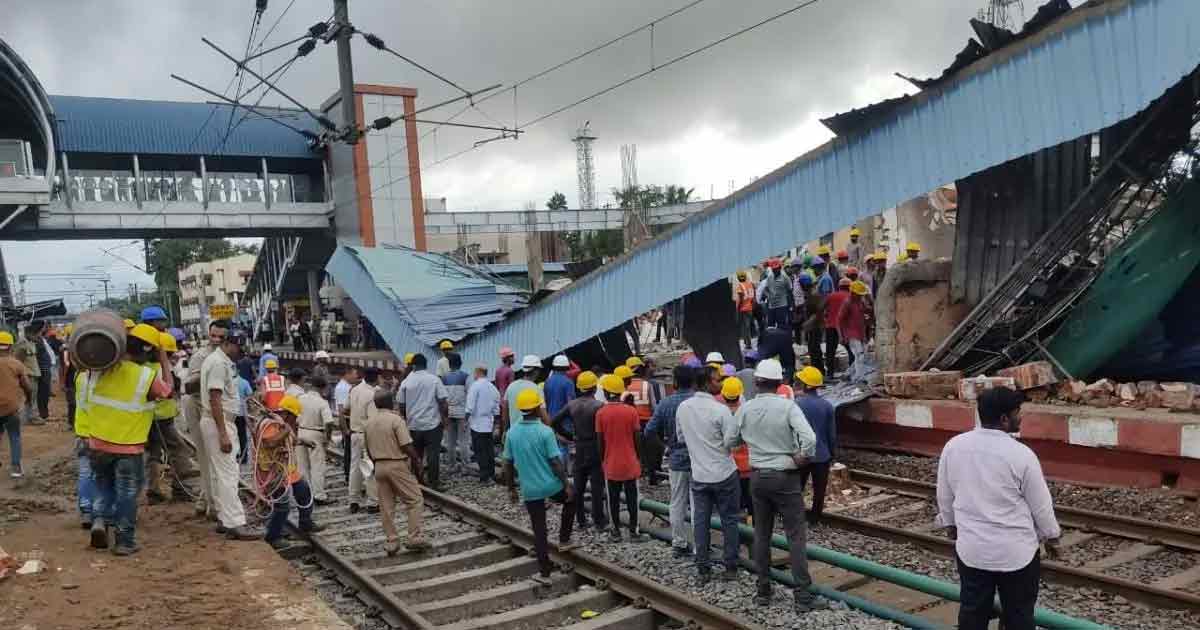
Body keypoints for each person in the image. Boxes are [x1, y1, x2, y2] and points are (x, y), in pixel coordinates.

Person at [936, 387, 1061, 630]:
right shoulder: (1021, 455)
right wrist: (1052, 536)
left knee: (972, 611)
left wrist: (950, 525)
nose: (1020, 417)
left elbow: (945, 494)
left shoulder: (954, 447)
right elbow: (1041, 506)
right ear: (1004, 419)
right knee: (1019, 614)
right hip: (1017, 554)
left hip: (972, 550)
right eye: (1017, 412)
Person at [727, 358, 826, 612]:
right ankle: (802, 596)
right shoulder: (788, 406)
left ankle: (763, 590)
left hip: (758, 476)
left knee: (762, 533)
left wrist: (751, 444)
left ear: (757, 382)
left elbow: (730, 440)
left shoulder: (745, 409)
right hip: (786, 476)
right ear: (779, 382)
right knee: (795, 536)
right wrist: (801, 457)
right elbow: (809, 439)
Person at [88, 323, 174, 554]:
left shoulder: (100, 368)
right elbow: (168, 391)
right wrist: (164, 360)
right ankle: (124, 541)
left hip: (97, 442)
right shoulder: (145, 375)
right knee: (126, 493)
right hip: (128, 447)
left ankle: (99, 520)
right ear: (148, 351)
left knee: (103, 485)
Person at [675, 364, 741, 583]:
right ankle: (730, 566)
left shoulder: (683, 408)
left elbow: (681, 438)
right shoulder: (720, 410)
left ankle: (703, 567)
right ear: (705, 383)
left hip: (699, 475)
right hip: (724, 473)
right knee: (729, 520)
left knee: (700, 521)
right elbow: (732, 442)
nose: (720, 383)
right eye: (716, 380)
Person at [199, 322, 258, 541]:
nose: (240, 354)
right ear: (229, 344)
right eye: (239, 349)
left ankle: (225, 519)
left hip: (218, 421)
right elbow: (215, 399)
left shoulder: (222, 361)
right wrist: (223, 433)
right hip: (219, 422)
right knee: (228, 474)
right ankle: (235, 522)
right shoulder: (218, 364)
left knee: (219, 473)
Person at [365, 390, 428, 554]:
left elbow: (368, 450)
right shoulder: (396, 420)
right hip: (396, 464)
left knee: (386, 506)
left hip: (379, 466)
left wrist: (377, 463)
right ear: (391, 402)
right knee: (415, 499)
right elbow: (406, 445)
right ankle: (414, 537)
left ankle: (392, 541)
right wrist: (417, 461)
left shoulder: (369, 422)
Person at [643, 365, 696, 557]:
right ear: (693, 382)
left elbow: (649, 431)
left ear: (675, 382)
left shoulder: (665, 404)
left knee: (677, 502)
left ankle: (679, 542)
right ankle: (700, 545)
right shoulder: (698, 402)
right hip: (698, 460)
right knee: (697, 503)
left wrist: (665, 448)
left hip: (676, 459)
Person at [260, 395, 324, 550]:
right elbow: (269, 443)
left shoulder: (283, 424)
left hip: (287, 469)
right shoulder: (271, 424)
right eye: (294, 416)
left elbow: (291, 440)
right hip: (273, 471)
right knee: (282, 506)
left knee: (303, 491)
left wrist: (303, 441)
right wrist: (287, 430)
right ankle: (273, 536)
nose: (296, 420)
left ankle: (305, 523)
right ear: (287, 413)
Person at [144, 332, 198, 502]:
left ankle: (153, 490)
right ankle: (181, 489)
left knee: (153, 453)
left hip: (148, 418)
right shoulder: (161, 369)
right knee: (179, 452)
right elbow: (169, 390)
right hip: (162, 418)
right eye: (168, 354)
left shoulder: (145, 367)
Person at [551, 370, 606, 530]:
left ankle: (581, 520)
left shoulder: (572, 405)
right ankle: (599, 521)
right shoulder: (599, 406)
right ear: (594, 388)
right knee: (596, 486)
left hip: (579, 447)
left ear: (580, 388)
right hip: (595, 447)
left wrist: (569, 435)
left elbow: (554, 421)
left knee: (579, 487)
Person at [595, 374, 646, 543]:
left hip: (611, 463)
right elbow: (637, 437)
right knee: (633, 498)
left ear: (605, 391)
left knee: (613, 499)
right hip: (630, 462)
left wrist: (603, 459)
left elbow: (600, 441)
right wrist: (638, 457)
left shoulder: (600, 413)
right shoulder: (631, 411)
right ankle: (634, 531)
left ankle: (615, 531)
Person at [183, 321, 222, 520]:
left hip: (216, 410)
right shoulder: (201, 357)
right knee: (207, 457)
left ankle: (203, 499)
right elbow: (189, 385)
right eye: (213, 336)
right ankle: (213, 505)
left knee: (214, 457)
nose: (216, 340)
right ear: (208, 334)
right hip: (200, 408)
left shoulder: (225, 356)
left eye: (221, 337)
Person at [397, 354, 450, 489]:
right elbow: (443, 402)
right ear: (426, 365)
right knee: (433, 454)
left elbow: (401, 404)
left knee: (416, 454)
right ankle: (434, 483)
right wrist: (445, 418)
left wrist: (406, 418)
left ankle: (418, 481)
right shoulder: (434, 380)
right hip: (432, 424)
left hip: (414, 425)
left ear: (413, 365)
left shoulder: (406, 382)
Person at [794, 367, 835, 525]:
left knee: (797, 487)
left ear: (807, 385)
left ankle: (795, 516)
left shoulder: (796, 404)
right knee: (819, 490)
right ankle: (815, 519)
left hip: (801, 454)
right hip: (822, 455)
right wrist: (832, 454)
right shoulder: (827, 406)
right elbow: (831, 434)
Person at [345, 366, 380, 512]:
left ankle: (353, 500)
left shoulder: (354, 390)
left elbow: (346, 408)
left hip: (354, 433)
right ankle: (372, 502)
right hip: (367, 434)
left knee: (355, 468)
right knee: (369, 468)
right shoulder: (372, 394)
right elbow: (373, 420)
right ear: (377, 378)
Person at [297, 375, 335, 504]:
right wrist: (327, 438)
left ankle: (305, 494)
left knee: (303, 466)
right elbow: (329, 422)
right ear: (322, 388)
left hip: (300, 432)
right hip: (315, 434)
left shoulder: (300, 398)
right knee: (317, 466)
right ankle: (319, 495)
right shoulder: (322, 402)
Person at [0, 331, 32, 480]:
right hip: (10, 408)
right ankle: (16, 468)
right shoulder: (16, 364)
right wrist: (29, 399)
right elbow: (27, 386)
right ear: (10, 347)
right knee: (14, 436)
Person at [720, 377, 753, 518]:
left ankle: (739, 533)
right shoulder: (749, 412)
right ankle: (753, 533)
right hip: (749, 466)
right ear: (740, 394)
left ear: (723, 394)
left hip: (729, 468)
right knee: (752, 504)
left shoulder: (719, 413)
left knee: (734, 505)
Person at [465, 365, 501, 483]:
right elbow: (497, 408)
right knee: (489, 450)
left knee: (480, 451)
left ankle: (484, 476)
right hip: (488, 424)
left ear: (478, 372)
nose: (474, 375)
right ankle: (491, 473)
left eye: (474, 372)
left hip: (477, 424)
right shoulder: (492, 387)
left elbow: (470, 406)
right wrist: (496, 424)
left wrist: (465, 420)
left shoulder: (475, 386)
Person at [544, 355, 576, 470]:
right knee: (564, 447)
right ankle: (564, 474)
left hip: (550, 418)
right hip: (564, 421)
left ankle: (556, 472)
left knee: (554, 447)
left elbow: (546, 401)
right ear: (566, 367)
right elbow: (570, 404)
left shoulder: (547, 382)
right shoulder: (568, 382)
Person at [440, 352, 471, 473]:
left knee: (450, 442)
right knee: (464, 441)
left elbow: (442, 398)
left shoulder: (444, 378)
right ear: (461, 363)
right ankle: (465, 466)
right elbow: (469, 395)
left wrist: (443, 416)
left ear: (449, 364)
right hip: (462, 412)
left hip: (448, 412)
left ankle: (451, 466)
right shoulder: (465, 377)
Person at [501, 354, 543, 438]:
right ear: (535, 370)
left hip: (514, 435)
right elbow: (542, 414)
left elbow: (505, 411)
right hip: (532, 436)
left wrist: (506, 430)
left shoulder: (511, 386)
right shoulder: (536, 389)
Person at [839, 281, 871, 383]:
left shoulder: (860, 302)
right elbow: (839, 320)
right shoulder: (847, 303)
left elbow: (867, 310)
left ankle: (850, 374)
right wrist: (842, 336)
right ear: (853, 293)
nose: (861, 296)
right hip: (851, 334)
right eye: (859, 294)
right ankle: (859, 378)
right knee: (859, 355)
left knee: (861, 356)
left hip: (861, 333)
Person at [824, 278, 851, 376]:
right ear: (849, 287)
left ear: (839, 286)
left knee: (830, 351)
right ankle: (852, 371)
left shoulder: (831, 296)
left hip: (830, 326)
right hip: (845, 327)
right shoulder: (850, 296)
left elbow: (823, 309)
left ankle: (830, 373)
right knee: (851, 350)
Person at [334, 368, 357, 484]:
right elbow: (342, 410)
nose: (356, 376)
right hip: (347, 422)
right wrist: (345, 429)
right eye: (354, 374)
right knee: (349, 451)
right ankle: (349, 476)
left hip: (348, 421)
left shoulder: (345, 386)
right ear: (347, 374)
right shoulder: (343, 388)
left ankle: (349, 476)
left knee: (350, 450)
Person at [800, 272, 826, 375]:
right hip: (813, 327)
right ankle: (818, 371)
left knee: (815, 350)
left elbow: (819, 312)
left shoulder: (814, 295)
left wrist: (808, 323)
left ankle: (819, 371)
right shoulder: (809, 295)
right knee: (813, 349)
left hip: (816, 326)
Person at [758, 259, 793, 328]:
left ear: (780, 267)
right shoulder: (770, 277)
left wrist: (790, 306)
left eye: (776, 269)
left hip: (782, 306)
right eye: (773, 269)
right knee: (770, 327)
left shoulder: (785, 278)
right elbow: (765, 289)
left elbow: (789, 292)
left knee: (782, 326)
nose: (774, 270)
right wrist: (768, 296)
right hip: (771, 306)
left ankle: (782, 339)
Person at [735, 271, 756, 349]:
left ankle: (748, 344)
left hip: (743, 309)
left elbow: (740, 298)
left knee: (745, 327)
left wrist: (737, 308)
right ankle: (746, 342)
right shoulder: (750, 284)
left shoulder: (740, 286)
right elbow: (753, 297)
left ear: (738, 278)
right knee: (747, 326)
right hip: (749, 308)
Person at [235, 370, 252, 465]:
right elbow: (250, 394)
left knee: (233, 434)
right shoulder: (244, 382)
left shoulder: (229, 382)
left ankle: (234, 455)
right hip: (242, 412)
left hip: (231, 413)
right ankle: (244, 457)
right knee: (242, 435)